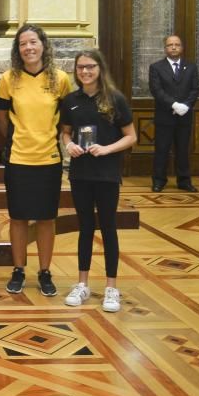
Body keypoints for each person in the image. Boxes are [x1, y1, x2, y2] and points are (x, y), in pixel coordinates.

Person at [0, 24, 72, 298]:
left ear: (43, 45)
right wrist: (17, 138)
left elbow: (66, 120)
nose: (28, 48)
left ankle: (45, 271)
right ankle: (18, 269)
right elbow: (2, 118)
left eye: (33, 42)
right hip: (18, 157)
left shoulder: (60, 79)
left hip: (48, 158)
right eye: (23, 44)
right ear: (18, 50)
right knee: (18, 217)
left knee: (46, 218)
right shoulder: (8, 79)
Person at [61, 49, 136, 313]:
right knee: (84, 227)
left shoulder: (115, 99)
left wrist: (106, 149)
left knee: (107, 228)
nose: (85, 72)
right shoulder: (71, 100)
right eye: (80, 67)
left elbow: (131, 136)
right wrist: (68, 145)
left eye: (90, 67)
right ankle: (82, 284)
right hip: (81, 173)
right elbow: (66, 132)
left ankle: (111, 288)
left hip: (106, 174)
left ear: (100, 69)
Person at [149, 35, 199, 193]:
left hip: (185, 116)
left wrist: (186, 105)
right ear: (165, 48)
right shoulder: (156, 67)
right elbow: (156, 90)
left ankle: (184, 181)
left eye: (177, 44)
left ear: (181, 48)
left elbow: (195, 88)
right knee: (162, 150)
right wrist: (173, 104)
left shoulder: (191, 67)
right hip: (165, 116)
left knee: (183, 150)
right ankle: (159, 181)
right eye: (170, 45)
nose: (173, 47)